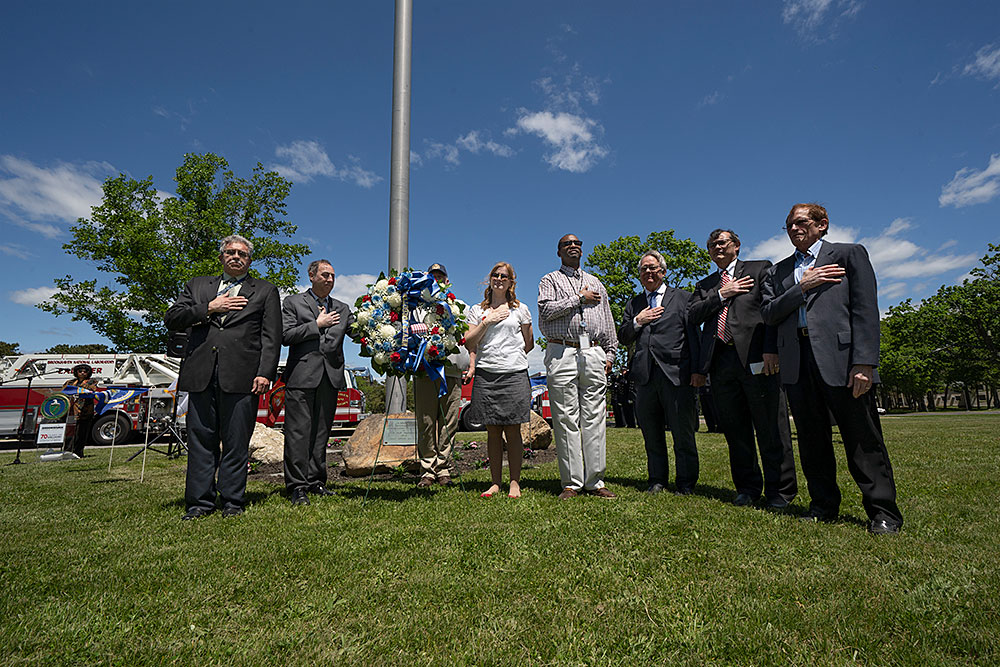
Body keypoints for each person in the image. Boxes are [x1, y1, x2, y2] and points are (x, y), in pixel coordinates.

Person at [760, 203, 903, 534]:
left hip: (843, 360)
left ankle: (883, 511)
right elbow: (768, 314)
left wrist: (864, 362)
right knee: (811, 439)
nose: (794, 229)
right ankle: (823, 504)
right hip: (798, 361)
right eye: (789, 226)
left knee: (861, 438)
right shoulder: (778, 272)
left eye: (801, 223)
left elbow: (866, 310)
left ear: (822, 224)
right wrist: (802, 287)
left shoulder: (849, 255)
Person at [165, 234, 281, 520]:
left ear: (249, 260)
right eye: (230, 252)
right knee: (201, 440)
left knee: (236, 441)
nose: (236, 257)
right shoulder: (197, 285)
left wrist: (265, 372)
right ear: (221, 257)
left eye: (242, 254)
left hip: (242, 377)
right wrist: (209, 308)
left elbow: (271, 337)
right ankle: (199, 503)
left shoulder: (265, 291)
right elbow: (172, 318)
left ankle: (232, 501)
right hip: (201, 373)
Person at [689, 229, 798, 508]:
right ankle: (747, 488)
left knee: (771, 427)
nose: (717, 248)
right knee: (736, 431)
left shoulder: (760, 269)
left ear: (736, 246)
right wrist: (721, 295)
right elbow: (692, 315)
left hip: (757, 357)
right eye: (712, 245)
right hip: (721, 363)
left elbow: (773, 309)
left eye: (722, 243)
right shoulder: (706, 285)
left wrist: (771, 349)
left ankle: (780, 491)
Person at [538, 234, 618, 500]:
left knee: (595, 418)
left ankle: (595, 481)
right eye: (567, 244)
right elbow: (546, 312)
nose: (573, 246)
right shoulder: (549, 280)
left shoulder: (596, 282)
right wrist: (578, 299)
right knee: (565, 418)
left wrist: (609, 355)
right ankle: (571, 482)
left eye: (577, 243)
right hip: (562, 351)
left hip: (592, 351)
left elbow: (607, 321)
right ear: (558, 252)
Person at [618, 250, 701, 495]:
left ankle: (686, 483)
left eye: (653, 268)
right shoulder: (634, 304)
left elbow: (694, 336)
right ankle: (657, 480)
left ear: (663, 272)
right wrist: (637, 321)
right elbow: (624, 336)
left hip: (676, 374)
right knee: (651, 434)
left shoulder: (684, 298)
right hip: (644, 377)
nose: (648, 272)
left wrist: (698, 370)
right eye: (644, 269)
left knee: (682, 433)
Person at [280, 259, 353, 506]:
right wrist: (316, 325)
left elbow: (362, 332)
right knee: (298, 434)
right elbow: (285, 335)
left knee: (321, 433)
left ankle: (316, 480)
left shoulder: (343, 308)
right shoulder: (293, 303)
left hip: (330, 377)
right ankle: (297, 486)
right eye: (324, 275)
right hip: (301, 377)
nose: (329, 280)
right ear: (311, 276)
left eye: (332, 276)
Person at [465, 261, 534, 498]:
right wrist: (488, 320)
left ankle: (514, 482)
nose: (499, 278)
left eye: (504, 276)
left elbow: (529, 343)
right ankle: (495, 482)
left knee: (513, 430)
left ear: (511, 281)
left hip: (514, 374)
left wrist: (509, 357)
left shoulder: (521, 309)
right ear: (490, 279)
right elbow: (469, 341)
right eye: (495, 275)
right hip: (486, 374)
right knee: (493, 431)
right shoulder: (477, 310)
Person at [413, 263, 470, 488]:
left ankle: (443, 467)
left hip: (452, 371)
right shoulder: (416, 308)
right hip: (425, 371)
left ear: (447, 280)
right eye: (432, 277)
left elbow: (469, 339)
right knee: (426, 421)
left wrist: (471, 364)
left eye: (440, 277)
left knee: (449, 422)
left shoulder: (459, 306)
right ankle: (427, 469)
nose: (437, 280)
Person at [61, 363, 101, 458]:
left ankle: (78, 452)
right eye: (80, 371)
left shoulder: (91, 382)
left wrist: (77, 390)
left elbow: (91, 389)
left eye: (85, 371)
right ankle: (67, 451)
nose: (82, 373)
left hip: (85, 412)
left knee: (82, 433)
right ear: (76, 372)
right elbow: (63, 391)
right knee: (70, 432)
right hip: (71, 411)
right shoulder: (70, 382)